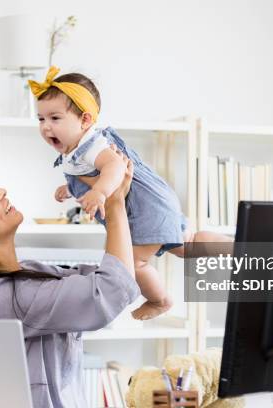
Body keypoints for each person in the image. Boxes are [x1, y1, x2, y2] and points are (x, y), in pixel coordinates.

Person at [0, 152, 139, 407]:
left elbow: (114, 276)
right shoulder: (2, 299)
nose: (0, 191)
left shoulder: (25, 273)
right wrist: (115, 204)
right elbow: (112, 289)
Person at [29, 66, 232, 320]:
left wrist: (101, 192)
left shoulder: (92, 146)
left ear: (85, 120)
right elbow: (88, 176)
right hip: (156, 200)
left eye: (55, 118)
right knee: (188, 243)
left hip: (143, 209)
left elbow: (114, 166)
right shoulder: (75, 151)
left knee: (132, 265)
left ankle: (160, 300)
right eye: (41, 119)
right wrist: (70, 188)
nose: (46, 127)